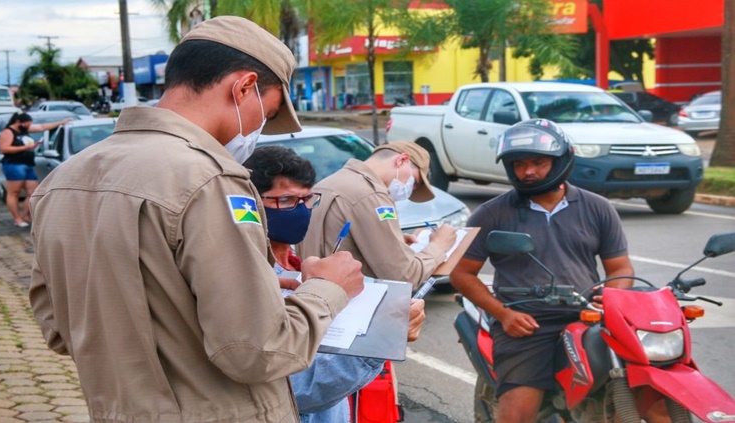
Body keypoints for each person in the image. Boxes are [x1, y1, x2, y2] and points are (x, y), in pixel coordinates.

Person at [29, 16, 365, 423]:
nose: (260, 129)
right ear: (243, 87)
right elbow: (256, 351)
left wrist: (205, 292)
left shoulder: (62, 180)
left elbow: (60, 327)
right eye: (267, 113)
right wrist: (328, 289)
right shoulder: (208, 178)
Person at [450, 119, 636, 423]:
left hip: (587, 315)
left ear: (561, 160)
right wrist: (505, 314)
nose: (529, 171)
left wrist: (613, 295)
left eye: (539, 162)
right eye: (519, 164)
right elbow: (462, 274)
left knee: (645, 383)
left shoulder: (597, 207)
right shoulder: (492, 213)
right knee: (516, 413)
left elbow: (620, 267)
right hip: (527, 323)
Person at [244, 146, 427, 422]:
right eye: (285, 201)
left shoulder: (299, 265)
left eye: (307, 200)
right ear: (250, 203)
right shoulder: (246, 279)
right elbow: (299, 387)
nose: (301, 210)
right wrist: (385, 334)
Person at [299, 141, 458, 287]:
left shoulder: (325, 185)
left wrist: (389, 241)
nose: (410, 190)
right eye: (415, 182)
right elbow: (404, 276)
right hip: (347, 303)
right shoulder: (371, 195)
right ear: (402, 160)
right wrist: (438, 246)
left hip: (314, 294)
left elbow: (329, 240)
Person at [0, 112, 70, 227]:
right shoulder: (8, 132)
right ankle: (17, 219)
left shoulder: (24, 129)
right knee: (14, 193)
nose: (29, 126)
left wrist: (61, 122)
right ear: (19, 122)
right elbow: (4, 148)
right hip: (14, 164)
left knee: (33, 192)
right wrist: (26, 147)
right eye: (27, 124)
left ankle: (26, 215)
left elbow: (42, 127)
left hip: (28, 164)